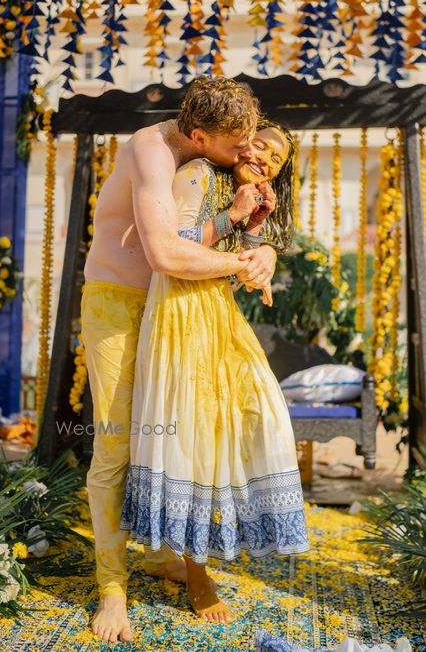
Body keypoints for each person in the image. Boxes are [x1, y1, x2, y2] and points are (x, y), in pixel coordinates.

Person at [81, 76, 280, 644]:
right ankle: (113, 588)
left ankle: (178, 557)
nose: (249, 153)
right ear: (198, 135)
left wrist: (259, 245)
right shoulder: (151, 150)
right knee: (118, 441)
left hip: (180, 312)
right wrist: (242, 261)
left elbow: (207, 234)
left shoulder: (211, 169)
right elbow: (166, 252)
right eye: (237, 144)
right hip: (120, 306)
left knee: (186, 436)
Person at [121, 121, 310, 626]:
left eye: (276, 160)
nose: (266, 159)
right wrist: (234, 219)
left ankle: (199, 544)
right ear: (242, 141)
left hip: (216, 313)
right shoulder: (199, 172)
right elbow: (172, 249)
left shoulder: (234, 189)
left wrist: (257, 241)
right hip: (181, 315)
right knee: (197, 437)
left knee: (262, 412)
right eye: (263, 146)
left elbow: (227, 268)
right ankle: (198, 573)